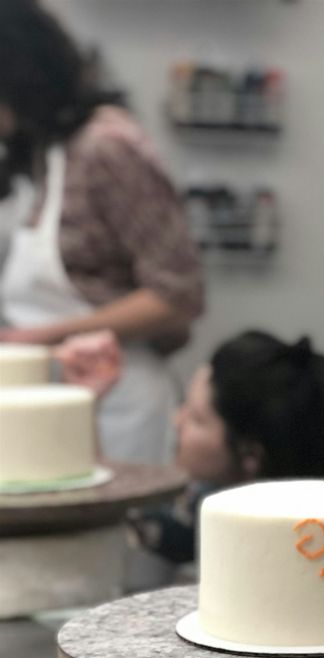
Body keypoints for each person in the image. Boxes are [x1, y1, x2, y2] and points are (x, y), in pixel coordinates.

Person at [0, 0, 203, 466]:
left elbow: (179, 294)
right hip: (50, 396)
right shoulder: (42, 151)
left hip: (119, 402)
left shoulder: (107, 147)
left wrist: (47, 335)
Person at [85, 330, 324, 568]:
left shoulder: (219, 527)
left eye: (197, 419)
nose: (177, 421)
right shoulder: (204, 499)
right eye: (184, 406)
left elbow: (110, 513)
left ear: (251, 456)